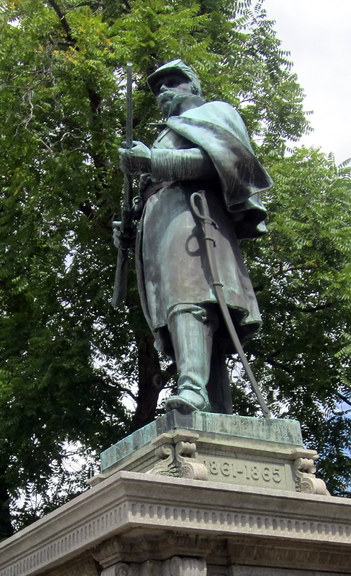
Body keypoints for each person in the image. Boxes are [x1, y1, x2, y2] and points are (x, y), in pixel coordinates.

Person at [117, 60, 272, 414]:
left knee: (190, 299)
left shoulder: (215, 112)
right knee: (175, 311)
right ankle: (216, 405)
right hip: (159, 223)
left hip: (193, 217)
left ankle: (193, 391)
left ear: (194, 86)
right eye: (159, 88)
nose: (165, 92)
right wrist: (128, 229)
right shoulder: (165, 132)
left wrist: (154, 161)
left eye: (173, 82)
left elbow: (228, 163)